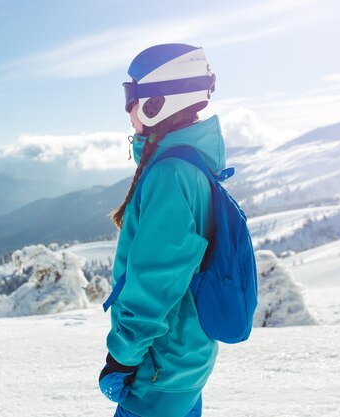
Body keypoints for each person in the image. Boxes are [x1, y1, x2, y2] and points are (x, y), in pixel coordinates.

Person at [98, 44, 225, 417]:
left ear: (158, 101)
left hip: (159, 369)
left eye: (132, 95)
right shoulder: (191, 164)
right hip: (183, 359)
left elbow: (156, 280)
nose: (127, 108)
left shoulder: (171, 175)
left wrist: (121, 358)